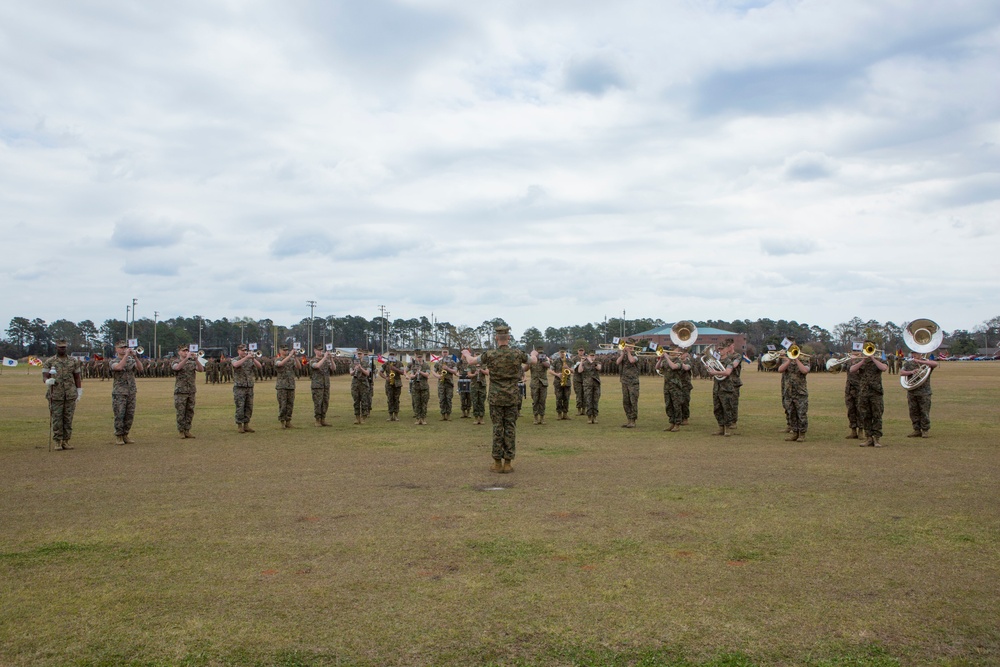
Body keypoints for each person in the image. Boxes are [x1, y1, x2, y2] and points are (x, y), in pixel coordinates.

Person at [462, 326, 533, 473]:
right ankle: (508, 463)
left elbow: (471, 361)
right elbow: (532, 361)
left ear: (496, 338)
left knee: (497, 428)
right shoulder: (517, 354)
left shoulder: (490, 354)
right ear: (509, 338)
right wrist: (534, 354)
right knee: (510, 428)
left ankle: (496, 462)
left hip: (496, 397)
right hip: (512, 397)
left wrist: (466, 353)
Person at [43, 338, 83, 450]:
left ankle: (66, 441)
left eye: (64, 347)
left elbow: (77, 377)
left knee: (68, 418)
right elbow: (45, 375)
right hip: (55, 394)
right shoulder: (50, 361)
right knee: (56, 418)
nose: (62, 349)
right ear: (56, 347)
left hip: (70, 394)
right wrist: (47, 381)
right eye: (60, 347)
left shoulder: (73, 361)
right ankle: (57, 441)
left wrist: (79, 391)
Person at [849, 350, 888, 447]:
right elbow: (852, 370)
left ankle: (877, 439)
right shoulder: (862, 360)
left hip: (876, 392)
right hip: (864, 392)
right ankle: (869, 438)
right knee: (865, 415)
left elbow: (884, 368)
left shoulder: (880, 360)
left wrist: (873, 359)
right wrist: (862, 361)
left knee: (877, 415)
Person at [110, 341, 144, 445]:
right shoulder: (113, 361)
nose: (124, 349)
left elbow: (140, 368)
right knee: (119, 414)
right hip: (119, 392)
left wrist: (135, 357)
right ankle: (119, 436)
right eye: (121, 348)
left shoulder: (130, 360)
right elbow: (118, 367)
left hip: (131, 391)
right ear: (116, 349)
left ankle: (125, 434)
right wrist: (126, 356)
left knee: (129, 414)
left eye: (125, 347)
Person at [901, 352, 938, 438]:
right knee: (913, 412)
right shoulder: (909, 363)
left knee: (924, 411)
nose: (914, 355)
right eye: (913, 353)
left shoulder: (927, 363)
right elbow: (902, 372)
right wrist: (911, 372)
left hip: (924, 392)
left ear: (920, 354)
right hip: (912, 392)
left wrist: (922, 362)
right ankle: (916, 430)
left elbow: (935, 364)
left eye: (916, 353)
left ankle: (925, 430)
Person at [706, 338, 738, 436]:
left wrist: (715, 372)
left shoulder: (729, 361)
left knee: (726, 408)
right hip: (717, 387)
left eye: (722, 349)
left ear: (727, 349)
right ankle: (721, 427)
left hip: (726, 388)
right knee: (717, 408)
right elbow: (713, 374)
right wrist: (709, 369)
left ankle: (727, 429)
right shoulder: (716, 361)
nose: (720, 351)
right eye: (719, 349)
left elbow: (727, 372)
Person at [778, 345, 810, 442]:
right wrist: (788, 360)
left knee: (801, 414)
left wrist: (796, 360)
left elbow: (804, 370)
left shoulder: (805, 360)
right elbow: (780, 370)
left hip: (800, 392)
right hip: (789, 392)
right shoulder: (786, 360)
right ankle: (794, 433)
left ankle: (802, 434)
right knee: (791, 413)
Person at [171, 345, 204, 438]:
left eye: (187, 350)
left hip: (191, 390)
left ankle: (187, 430)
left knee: (190, 411)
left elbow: (201, 369)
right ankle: (181, 430)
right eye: (184, 351)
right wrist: (186, 359)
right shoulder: (176, 361)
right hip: (180, 391)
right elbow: (177, 368)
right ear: (179, 352)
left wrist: (196, 359)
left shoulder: (192, 362)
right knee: (181, 412)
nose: (186, 352)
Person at [657, 348, 691, 432]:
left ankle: (677, 424)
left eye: (674, 350)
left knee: (677, 405)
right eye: (671, 350)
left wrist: (667, 357)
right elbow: (657, 367)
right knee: (669, 405)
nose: (671, 352)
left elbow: (673, 367)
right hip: (667, 386)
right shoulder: (665, 361)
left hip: (676, 387)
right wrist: (661, 358)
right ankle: (672, 423)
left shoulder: (679, 361)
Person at [232, 344, 262, 433]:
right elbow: (235, 365)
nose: (244, 352)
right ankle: (240, 425)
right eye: (242, 350)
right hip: (240, 387)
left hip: (249, 387)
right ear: (238, 351)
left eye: (245, 350)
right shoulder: (235, 359)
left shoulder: (250, 360)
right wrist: (246, 357)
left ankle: (246, 424)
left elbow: (259, 366)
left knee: (249, 406)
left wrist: (253, 358)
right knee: (240, 407)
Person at [274, 345, 298, 429]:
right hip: (282, 386)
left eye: (287, 350)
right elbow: (280, 364)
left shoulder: (291, 359)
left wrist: (295, 357)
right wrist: (290, 356)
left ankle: (288, 421)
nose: (286, 351)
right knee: (283, 405)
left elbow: (299, 367)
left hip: (290, 385)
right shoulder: (278, 359)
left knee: (290, 404)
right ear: (280, 351)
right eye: (284, 350)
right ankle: (282, 422)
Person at [309, 345, 334, 427]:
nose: (320, 352)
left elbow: (333, 368)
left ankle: (323, 419)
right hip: (317, 385)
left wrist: (331, 359)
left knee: (325, 402)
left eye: (321, 350)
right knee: (318, 403)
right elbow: (317, 366)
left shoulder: (326, 360)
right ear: (315, 351)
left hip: (325, 385)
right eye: (319, 350)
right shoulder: (313, 360)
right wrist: (324, 357)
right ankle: (317, 420)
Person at [617, 340, 640, 428]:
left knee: (633, 401)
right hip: (624, 381)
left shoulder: (636, 354)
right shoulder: (624, 355)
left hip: (633, 382)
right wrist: (623, 353)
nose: (629, 348)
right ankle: (629, 419)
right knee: (626, 401)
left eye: (631, 346)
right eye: (628, 346)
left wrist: (629, 352)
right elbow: (617, 362)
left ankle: (633, 420)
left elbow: (632, 361)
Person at [527, 345, 550, 424]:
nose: (540, 354)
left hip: (543, 383)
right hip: (534, 383)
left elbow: (548, 365)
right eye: (539, 352)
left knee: (542, 400)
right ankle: (535, 417)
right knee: (535, 400)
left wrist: (542, 359)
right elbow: (525, 369)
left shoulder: (545, 358)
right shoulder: (532, 359)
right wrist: (531, 359)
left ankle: (542, 417)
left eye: (541, 352)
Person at [577, 350, 602, 424]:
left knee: (595, 400)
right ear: (588, 356)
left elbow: (599, 368)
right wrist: (581, 361)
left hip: (596, 384)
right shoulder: (584, 363)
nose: (592, 357)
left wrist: (592, 362)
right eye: (591, 356)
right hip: (587, 384)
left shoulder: (597, 363)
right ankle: (589, 417)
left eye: (593, 356)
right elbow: (579, 370)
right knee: (588, 400)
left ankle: (595, 416)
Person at [433, 348, 457, 421]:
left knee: (449, 399)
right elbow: (433, 371)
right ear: (441, 353)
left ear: (448, 353)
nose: (445, 353)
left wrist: (447, 368)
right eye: (444, 352)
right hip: (441, 383)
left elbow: (455, 371)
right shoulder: (438, 362)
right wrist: (438, 376)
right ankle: (443, 414)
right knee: (442, 399)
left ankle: (448, 414)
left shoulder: (453, 362)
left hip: (449, 383)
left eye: (446, 352)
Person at [407, 349, 430, 425]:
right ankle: (417, 419)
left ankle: (423, 419)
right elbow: (411, 375)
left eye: (420, 357)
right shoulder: (413, 365)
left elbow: (427, 374)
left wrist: (420, 372)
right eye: (418, 357)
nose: (419, 358)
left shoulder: (426, 365)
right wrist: (415, 375)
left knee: (424, 403)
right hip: (415, 387)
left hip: (424, 387)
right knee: (416, 403)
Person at [548, 347, 572, 420]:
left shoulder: (569, 361)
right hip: (558, 382)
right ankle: (559, 413)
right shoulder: (555, 361)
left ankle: (565, 414)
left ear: (566, 353)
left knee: (566, 398)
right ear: (559, 353)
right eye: (561, 352)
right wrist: (557, 374)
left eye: (563, 352)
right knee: (558, 398)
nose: (562, 354)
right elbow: (550, 370)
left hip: (567, 382)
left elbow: (574, 371)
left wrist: (568, 367)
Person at [350, 349, 372, 424]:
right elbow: (351, 373)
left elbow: (367, 373)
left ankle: (363, 417)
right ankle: (357, 417)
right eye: (358, 354)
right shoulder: (353, 363)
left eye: (360, 354)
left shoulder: (366, 364)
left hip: (363, 384)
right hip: (355, 384)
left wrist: (361, 368)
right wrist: (354, 369)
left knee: (364, 401)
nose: (359, 355)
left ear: (363, 354)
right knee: (356, 401)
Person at [381, 351, 404, 422]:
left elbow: (402, 372)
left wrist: (395, 369)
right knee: (390, 399)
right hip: (389, 384)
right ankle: (390, 415)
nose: (392, 356)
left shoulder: (399, 363)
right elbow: (380, 372)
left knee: (396, 399)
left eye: (393, 355)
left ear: (395, 355)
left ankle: (396, 415)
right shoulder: (385, 364)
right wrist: (385, 377)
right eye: (390, 355)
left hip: (397, 383)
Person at [469, 361, 488, 425]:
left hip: (482, 386)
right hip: (474, 386)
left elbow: (487, 373)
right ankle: (476, 417)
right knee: (475, 402)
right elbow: (469, 374)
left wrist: (481, 370)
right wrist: (474, 374)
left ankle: (481, 417)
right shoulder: (470, 365)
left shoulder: (484, 365)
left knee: (481, 402)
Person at [572, 346, 586, 416]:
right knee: (578, 395)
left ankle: (584, 410)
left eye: (582, 351)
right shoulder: (574, 359)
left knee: (585, 395)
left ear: (584, 351)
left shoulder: (586, 359)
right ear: (578, 351)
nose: (581, 352)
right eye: (580, 351)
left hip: (585, 379)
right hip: (577, 379)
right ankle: (579, 410)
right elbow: (571, 368)